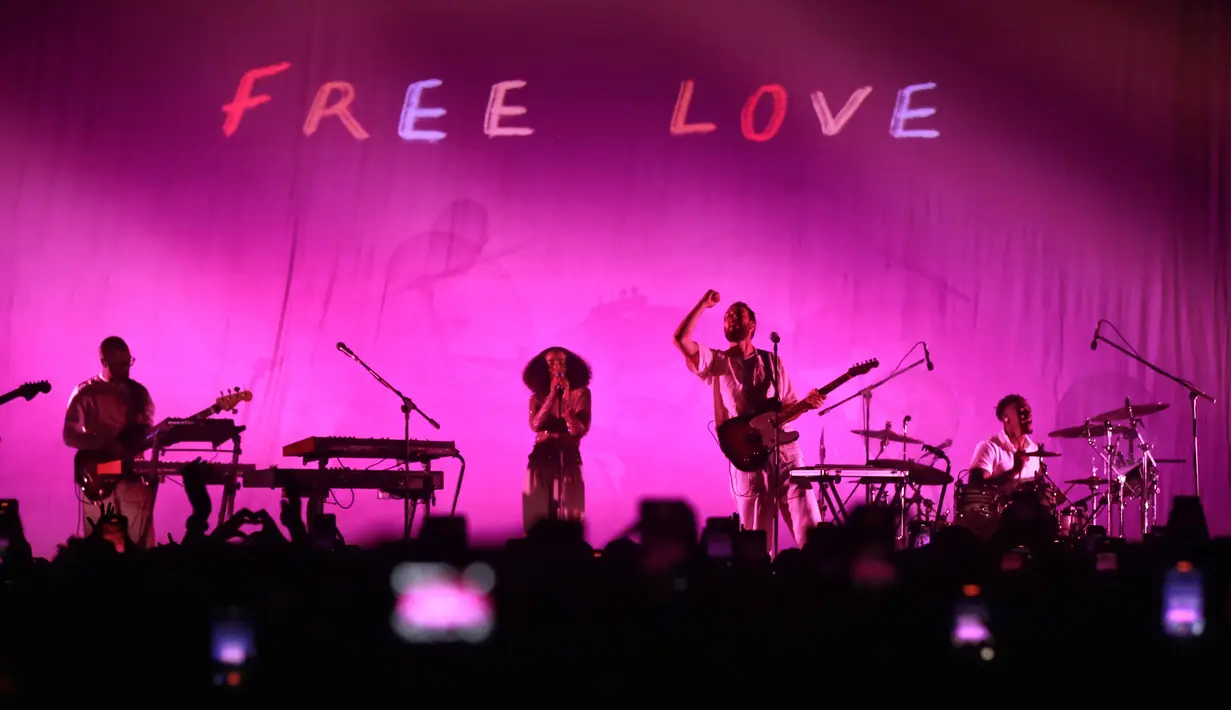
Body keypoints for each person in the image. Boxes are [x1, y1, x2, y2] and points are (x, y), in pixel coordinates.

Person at [673, 289, 824, 552]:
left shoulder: (772, 361)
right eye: (727, 316)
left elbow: (790, 406)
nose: (730, 317)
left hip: (785, 453)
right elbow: (681, 339)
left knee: (809, 525)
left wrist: (807, 403)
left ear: (752, 325)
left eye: (737, 314)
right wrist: (702, 305)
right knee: (755, 540)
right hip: (747, 457)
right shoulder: (718, 361)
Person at [63, 336, 158, 549]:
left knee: (140, 550)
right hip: (98, 476)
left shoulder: (139, 393)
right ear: (104, 362)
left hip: (131, 477)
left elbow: (147, 434)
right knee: (98, 552)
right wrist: (104, 443)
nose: (127, 368)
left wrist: (161, 438)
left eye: (129, 362)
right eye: (120, 364)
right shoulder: (86, 392)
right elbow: (69, 435)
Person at [522, 346, 592, 534]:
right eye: (551, 363)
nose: (557, 367)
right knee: (538, 515)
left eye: (561, 362)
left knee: (571, 514)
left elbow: (578, 430)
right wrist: (552, 396)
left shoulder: (581, 394)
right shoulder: (537, 398)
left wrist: (567, 404)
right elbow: (535, 425)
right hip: (541, 458)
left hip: (568, 457)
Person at [967, 394, 1040, 495]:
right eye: (1023, 412)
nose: (1029, 414)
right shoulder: (990, 448)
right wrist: (1014, 471)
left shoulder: (1035, 450)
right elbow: (974, 487)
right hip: (1000, 510)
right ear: (1006, 418)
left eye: (1029, 411)